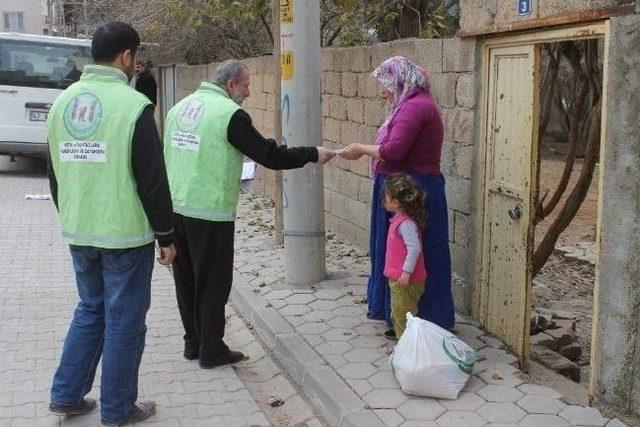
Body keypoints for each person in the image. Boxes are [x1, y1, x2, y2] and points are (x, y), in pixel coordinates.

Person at [163, 59, 335, 369]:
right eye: (246, 85)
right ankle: (212, 349)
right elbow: (269, 154)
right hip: (210, 212)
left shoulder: (181, 108)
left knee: (186, 280)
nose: (249, 92)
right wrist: (311, 153)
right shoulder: (229, 115)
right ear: (230, 85)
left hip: (177, 209)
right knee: (213, 283)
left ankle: (193, 343)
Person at [46, 21, 176, 425]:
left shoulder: (62, 103)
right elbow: (153, 180)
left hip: (80, 230)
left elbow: (54, 175)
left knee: (90, 309)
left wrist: (72, 214)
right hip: (124, 234)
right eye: (136, 58)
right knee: (125, 321)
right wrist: (166, 235)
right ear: (126, 56)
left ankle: (67, 395)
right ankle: (118, 409)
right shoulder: (133, 106)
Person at [340, 56, 455, 331]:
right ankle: (398, 316)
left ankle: (420, 319)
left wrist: (360, 148)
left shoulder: (415, 107)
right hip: (404, 189)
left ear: (399, 80)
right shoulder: (411, 104)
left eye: (385, 84)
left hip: (411, 193)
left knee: (411, 253)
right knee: (397, 252)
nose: (383, 91)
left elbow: (393, 151)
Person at [381, 174, 427, 339]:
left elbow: (414, 248)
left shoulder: (405, 224)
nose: (384, 200)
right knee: (401, 313)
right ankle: (405, 346)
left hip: (406, 280)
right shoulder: (399, 221)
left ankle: (405, 348)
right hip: (400, 279)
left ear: (395, 203)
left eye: (386, 197)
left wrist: (406, 272)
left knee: (402, 316)